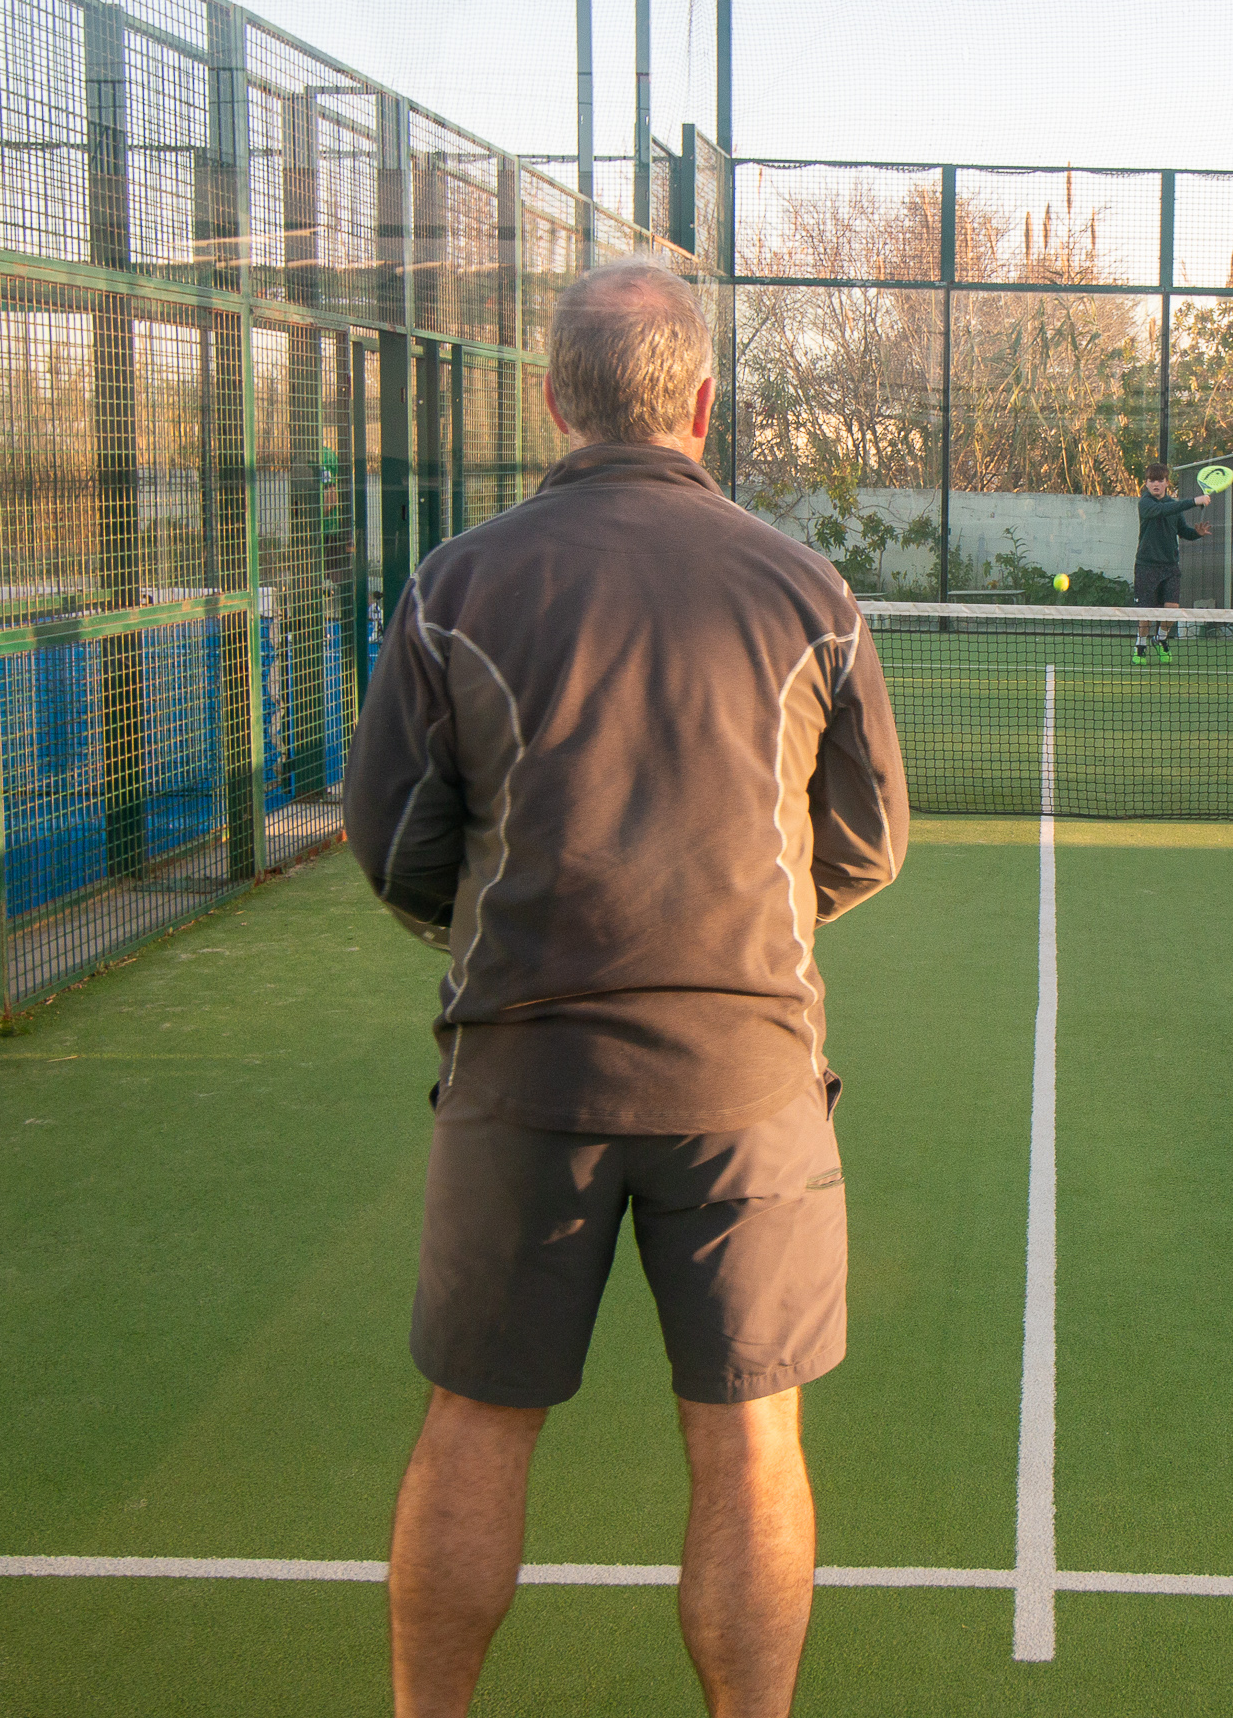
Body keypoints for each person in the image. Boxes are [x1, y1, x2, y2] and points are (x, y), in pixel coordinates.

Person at [345, 257, 908, 1718]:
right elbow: (862, 841)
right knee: (751, 1443)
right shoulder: (806, 587)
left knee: (477, 1423)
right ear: (705, 405)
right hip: (749, 1086)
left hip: (524, 1077)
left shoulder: (456, 583)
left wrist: (502, 931)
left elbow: (394, 843)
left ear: (550, 401)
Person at [1131, 465, 1211, 662]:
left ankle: (1160, 639)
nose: (1156, 484)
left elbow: (1183, 531)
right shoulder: (1146, 503)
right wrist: (1194, 501)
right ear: (1146, 483)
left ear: (1167, 482)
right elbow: (1162, 510)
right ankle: (1140, 645)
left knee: (1172, 608)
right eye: (1152, 480)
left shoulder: (1173, 505)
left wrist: (1196, 534)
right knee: (1146, 612)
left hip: (1170, 567)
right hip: (1146, 565)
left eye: (1160, 480)